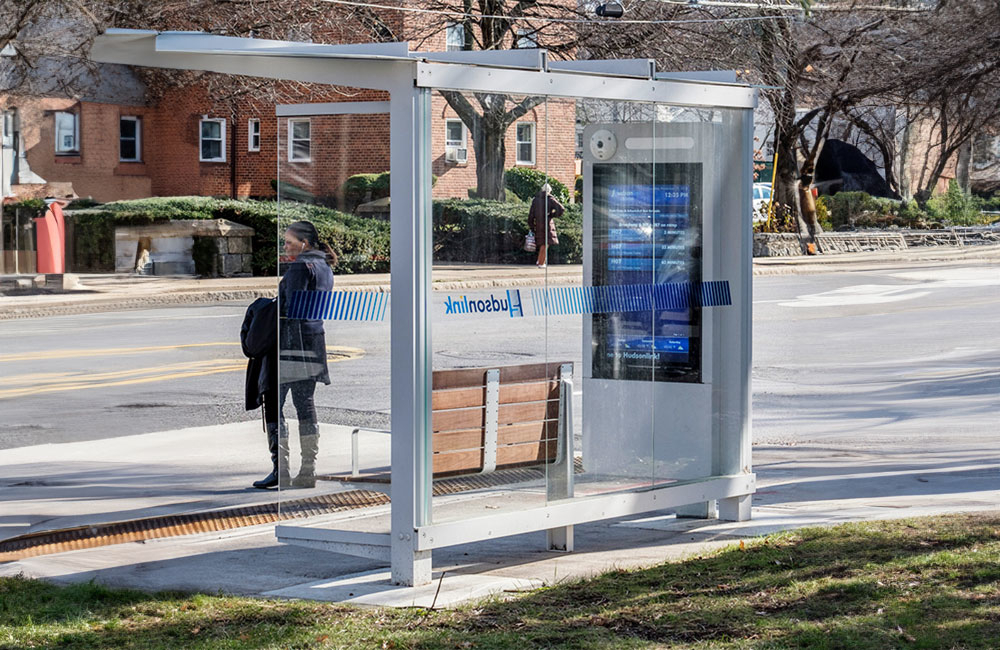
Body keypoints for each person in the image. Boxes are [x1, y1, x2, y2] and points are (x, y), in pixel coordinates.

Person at [250, 220, 336, 489]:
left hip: (290, 343)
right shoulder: (324, 265)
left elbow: (291, 308)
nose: (285, 246)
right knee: (305, 405)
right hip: (313, 340)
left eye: (289, 242)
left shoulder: (301, 266)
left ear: (305, 244)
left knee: (274, 403)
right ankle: (308, 469)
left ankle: (281, 469)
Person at [527, 182, 564, 268]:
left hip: (538, 223)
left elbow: (531, 214)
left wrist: (532, 225)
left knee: (542, 243)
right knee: (546, 243)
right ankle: (541, 262)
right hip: (547, 223)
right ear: (549, 191)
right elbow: (561, 209)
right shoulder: (550, 199)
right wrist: (552, 215)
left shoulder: (536, 200)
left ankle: (540, 260)